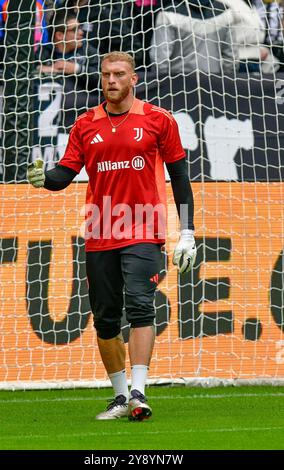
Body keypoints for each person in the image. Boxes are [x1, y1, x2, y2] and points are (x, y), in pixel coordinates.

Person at [27, 51, 197, 421]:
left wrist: (187, 231)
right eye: (106, 75)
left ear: (134, 78)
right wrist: (44, 179)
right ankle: (120, 397)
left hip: (144, 228)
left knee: (139, 304)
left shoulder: (158, 120)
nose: (112, 81)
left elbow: (180, 177)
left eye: (119, 74)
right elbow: (64, 175)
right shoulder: (85, 125)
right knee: (105, 318)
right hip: (100, 232)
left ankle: (139, 390)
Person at [37, 9, 99, 129]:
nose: (81, 32)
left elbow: (102, 79)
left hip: (84, 120)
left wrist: (77, 69)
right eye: (75, 30)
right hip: (48, 126)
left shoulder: (89, 51)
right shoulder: (42, 53)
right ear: (59, 35)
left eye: (80, 27)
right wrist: (42, 70)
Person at [150, 0, 239, 77]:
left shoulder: (168, 14)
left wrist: (165, 86)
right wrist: (226, 83)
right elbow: (231, 57)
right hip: (214, 84)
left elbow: (159, 59)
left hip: (178, 85)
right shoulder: (225, 12)